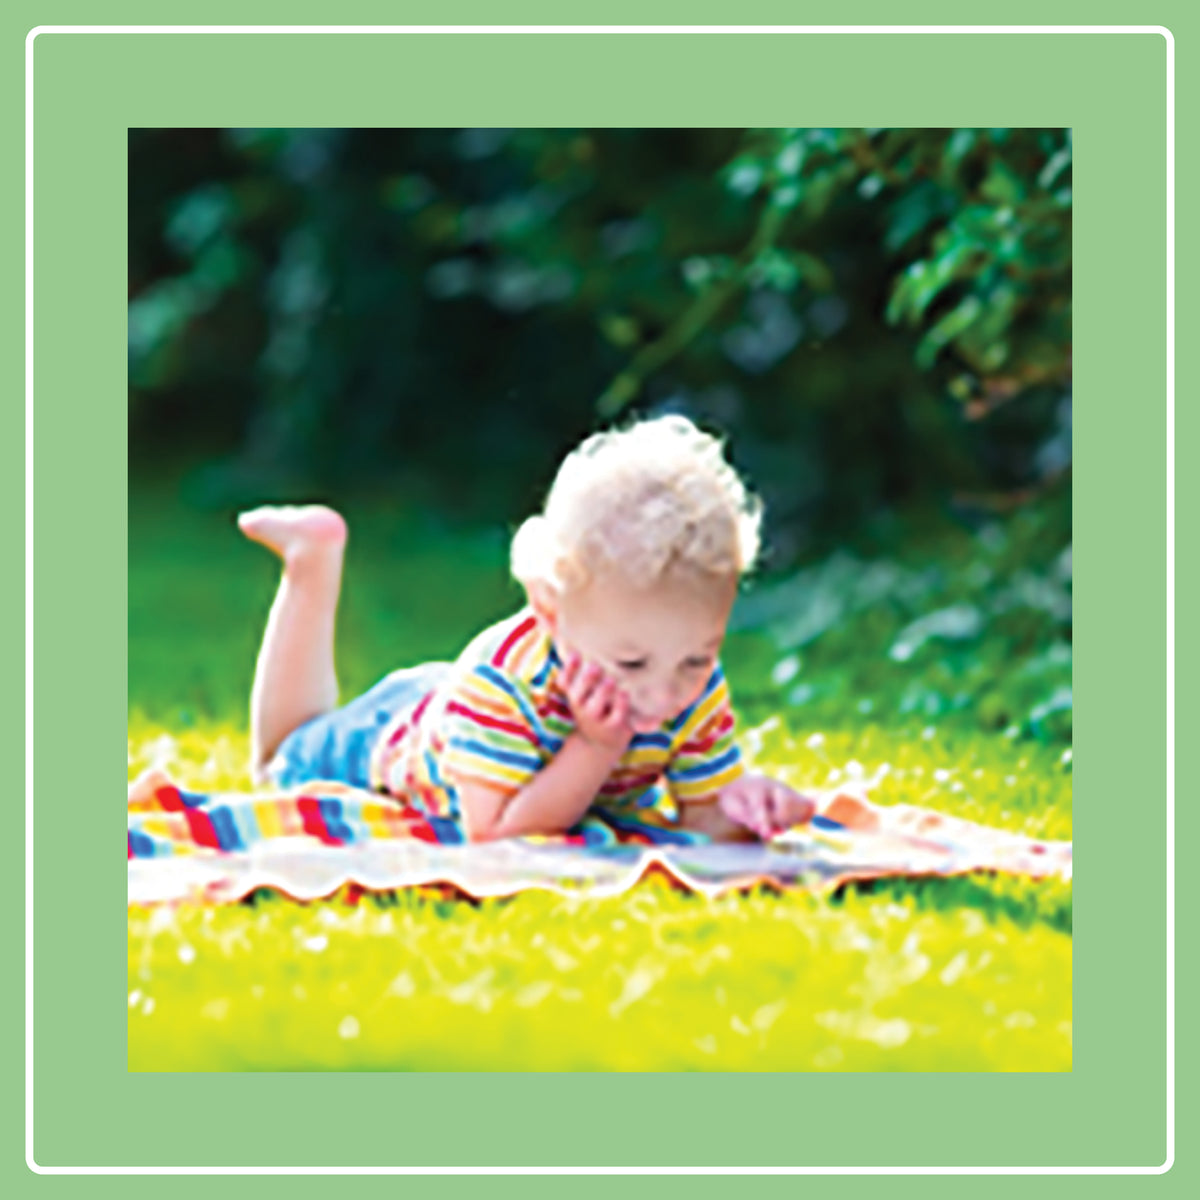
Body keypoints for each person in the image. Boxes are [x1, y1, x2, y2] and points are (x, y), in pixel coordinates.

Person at [238, 415, 815, 846]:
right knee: (277, 760)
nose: (663, 696)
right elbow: (495, 835)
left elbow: (699, 823)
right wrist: (594, 748)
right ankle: (311, 563)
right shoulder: (501, 686)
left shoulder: (683, 676)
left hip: (471, 723)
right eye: (632, 665)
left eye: (697, 658)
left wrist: (747, 810)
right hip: (391, 737)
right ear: (548, 607)